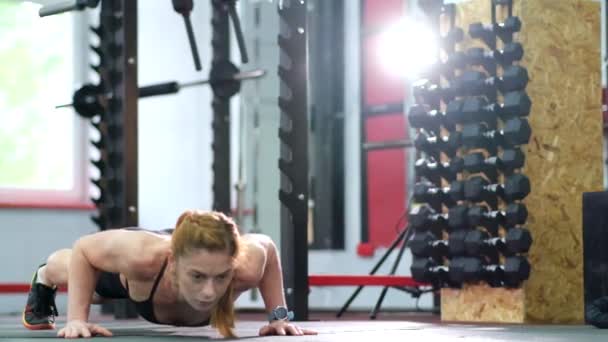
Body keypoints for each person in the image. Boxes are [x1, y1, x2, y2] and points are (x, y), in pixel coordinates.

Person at [22, 210, 316, 338]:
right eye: (198, 277)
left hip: (182, 253)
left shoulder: (247, 263)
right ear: (174, 262)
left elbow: (269, 247)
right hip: (139, 279)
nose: (210, 292)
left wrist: (279, 317)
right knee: (87, 285)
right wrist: (76, 320)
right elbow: (85, 248)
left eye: (221, 277)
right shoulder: (143, 256)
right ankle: (45, 274)